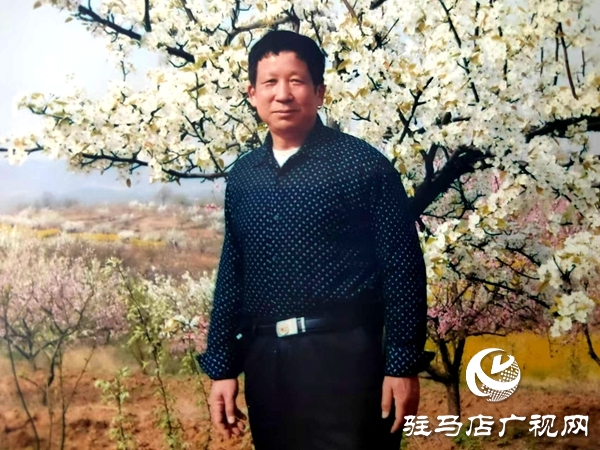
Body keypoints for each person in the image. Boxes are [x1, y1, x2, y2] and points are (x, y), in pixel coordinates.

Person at [197, 30, 431, 450]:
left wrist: (401, 364)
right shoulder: (244, 176)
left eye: (296, 81)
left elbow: (402, 269)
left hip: (346, 360)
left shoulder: (363, 167)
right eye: (270, 82)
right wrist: (222, 367)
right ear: (252, 94)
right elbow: (233, 272)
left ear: (319, 91)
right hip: (266, 364)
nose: (282, 94)